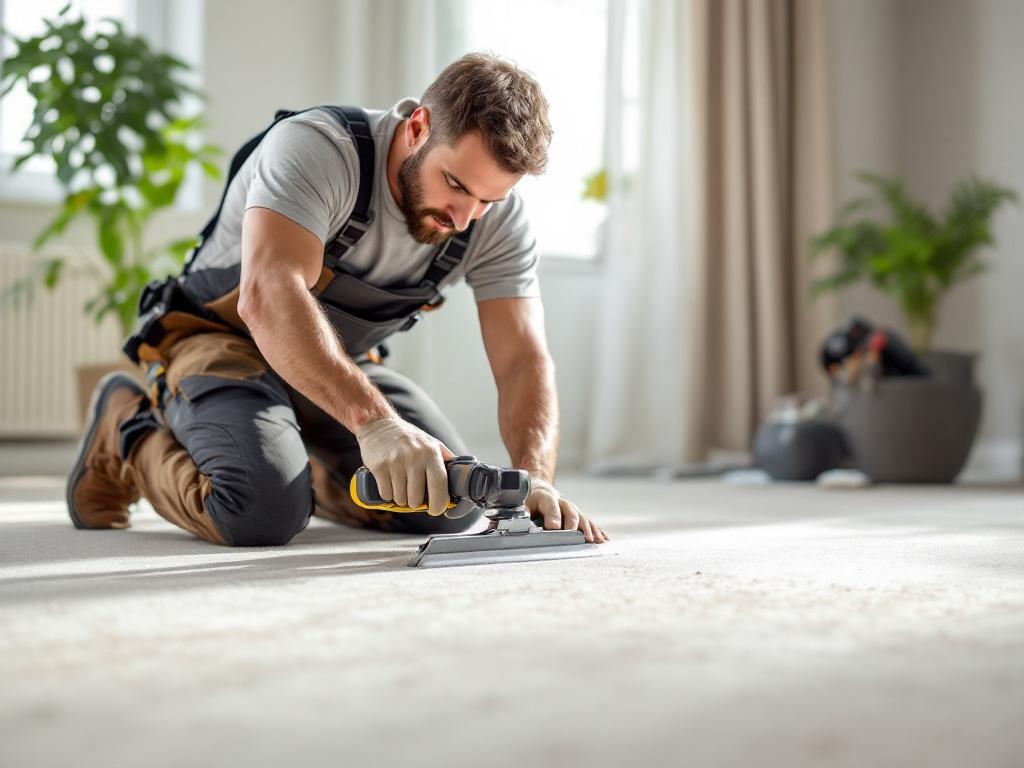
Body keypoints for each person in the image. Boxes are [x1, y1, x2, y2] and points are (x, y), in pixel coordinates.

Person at [66, 52, 608, 547]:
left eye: (490, 199)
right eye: (456, 185)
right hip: (224, 342)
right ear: (418, 126)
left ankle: (293, 469)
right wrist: (377, 424)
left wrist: (535, 474)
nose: (465, 218)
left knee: (447, 503)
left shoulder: (495, 220)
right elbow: (267, 294)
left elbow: (522, 361)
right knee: (258, 511)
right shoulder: (319, 148)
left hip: (335, 364)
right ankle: (128, 428)